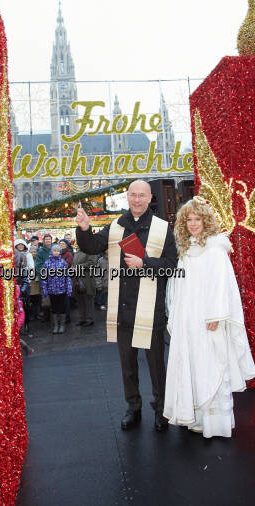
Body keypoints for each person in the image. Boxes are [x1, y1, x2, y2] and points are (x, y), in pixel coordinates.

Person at [76, 179, 177, 432]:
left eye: (142, 195)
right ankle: (133, 408)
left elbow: (172, 265)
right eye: (133, 195)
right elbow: (90, 246)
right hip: (122, 310)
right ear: (127, 197)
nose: (137, 200)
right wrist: (84, 228)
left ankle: (161, 409)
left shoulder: (162, 228)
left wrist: (145, 264)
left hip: (151, 310)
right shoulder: (116, 225)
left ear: (149, 197)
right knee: (127, 367)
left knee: (156, 367)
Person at [163, 198, 255, 438]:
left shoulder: (215, 248)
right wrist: (176, 312)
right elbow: (179, 284)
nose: (193, 224)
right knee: (193, 364)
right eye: (189, 220)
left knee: (211, 364)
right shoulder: (187, 248)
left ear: (206, 220)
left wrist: (214, 316)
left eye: (198, 219)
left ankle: (216, 423)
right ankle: (196, 418)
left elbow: (221, 285)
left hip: (207, 318)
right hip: (188, 318)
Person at [40, 243, 72, 334]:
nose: (56, 252)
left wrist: (69, 288)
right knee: (54, 308)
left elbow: (67, 277)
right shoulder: (47, 263)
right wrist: (45, 289)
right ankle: (56, 325)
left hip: (62, 290)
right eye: (54, 250)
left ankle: (62, 325)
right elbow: (44, 277)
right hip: (51, 290)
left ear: (60, 252)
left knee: (61, 308)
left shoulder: (63, 263)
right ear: (51, 251)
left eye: (58, 251)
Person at [71, 247, 98, 326]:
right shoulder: (77, 252)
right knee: (80, 300)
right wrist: (73, 268)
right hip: (78, 279)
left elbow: (92, 263)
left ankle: (89, 319)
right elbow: (73, 263)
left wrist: (78, 267)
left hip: (87, 280)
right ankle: (82, 319)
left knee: (88, 300)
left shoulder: (91, 250)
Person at [59, 238, 74, 323]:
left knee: (66, 299)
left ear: (67, 245)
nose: (61, 246)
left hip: (65, 278)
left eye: (63, 244)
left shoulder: (68, 254)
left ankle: (67, 317)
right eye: (60, 244)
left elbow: (67, 265)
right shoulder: (58, 253)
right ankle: (62, 316)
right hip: (57, 279)